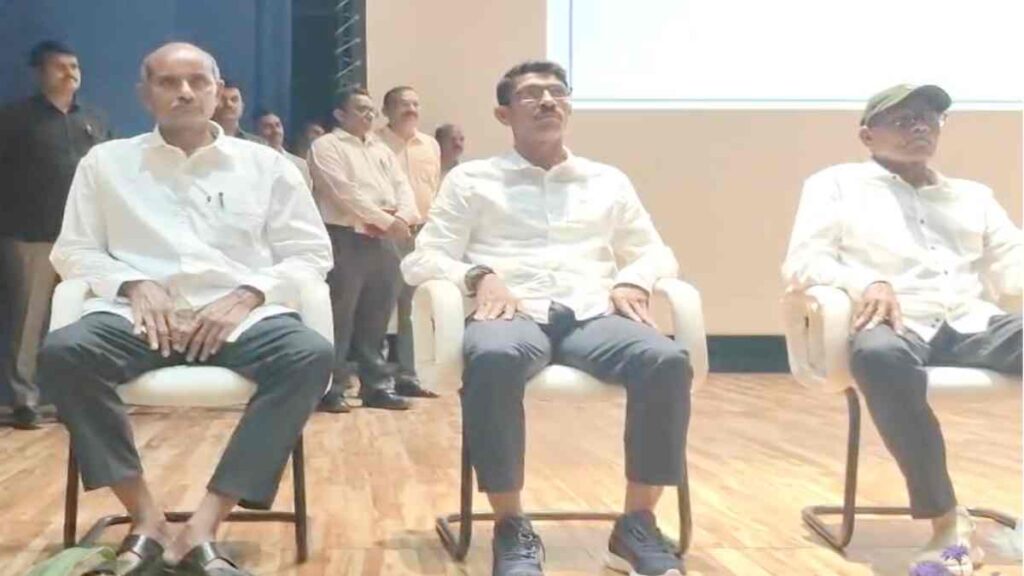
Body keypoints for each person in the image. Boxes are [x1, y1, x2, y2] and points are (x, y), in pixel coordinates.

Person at [38, 42, 333, 575]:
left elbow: (311, 253)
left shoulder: (266, 166)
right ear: (144, 94)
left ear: (218, 92)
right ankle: (146, 518)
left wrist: (247, 294)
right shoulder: (106, 163)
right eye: (169, 82)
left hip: (239, 319)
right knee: (65, 351)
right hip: (138, 319)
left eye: (199, 81)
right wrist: (132, 283)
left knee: (308, 354)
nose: (185, 92)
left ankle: (204, 525)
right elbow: (74, 250)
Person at [402, 60, 690, 576]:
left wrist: (634, 279)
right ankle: (510, 526)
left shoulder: (606, 180)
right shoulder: (472, 180)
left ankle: (637, 524)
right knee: (491, 356)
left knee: (665, 360)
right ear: (504, 114)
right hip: (512, 311)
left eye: (558, 92)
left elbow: (655, 252)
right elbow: (422, 258)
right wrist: (478, 275)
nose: (548, 101)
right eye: (532, 94)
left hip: (592, 313)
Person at [782, 84, 1022, 575]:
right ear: (867, 135)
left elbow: (1012, 264)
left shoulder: (972, 196)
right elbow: (803, 262)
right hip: (893, 322)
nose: (920, 126)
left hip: (971, 321)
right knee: (878, 356)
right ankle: (947, 523)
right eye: (904, 118)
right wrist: (866, 282)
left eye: (930, 118)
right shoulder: (835, 185)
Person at [0, 40, 111, 430]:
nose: (70, 73)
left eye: (74, 66)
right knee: (28, 321)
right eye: (60, 66)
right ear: (39, 72)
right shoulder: (13, 120)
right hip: (31, 234)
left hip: (84, 240)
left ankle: (70, 398)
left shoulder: (94, 120)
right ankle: (24, 399)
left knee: (75, 319)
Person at [308, 85, 420, 412]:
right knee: (340, 316)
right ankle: (331, 387)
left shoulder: (380, 148)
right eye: (361, 109)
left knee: (378, 314)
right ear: (340, 114)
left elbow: (402, 186)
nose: (369, 115)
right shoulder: (326, 146)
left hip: (385, 239)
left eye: (371, 109)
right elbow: (343, 193)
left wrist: (404, 217)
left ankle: (376, 386)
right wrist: (386, 221)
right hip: (345, 237)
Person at [376, 86, 441, 398]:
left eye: (415, 104)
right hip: (387, 233)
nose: (411, 110)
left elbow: (434, 188)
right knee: (379, 305)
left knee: (413, 307)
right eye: (404, 104)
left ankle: (409, 375)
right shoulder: (374, 143)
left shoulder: (430, 145)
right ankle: (377, 377)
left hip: (423, 232)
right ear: (386, 111)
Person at [256, 108, 312, 187]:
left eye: (278, 125)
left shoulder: (300, 164)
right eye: (268, 127)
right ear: (257, 132)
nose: (275, 131)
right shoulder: (253, 164)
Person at [212, 78, 265, 144]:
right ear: (212, 104)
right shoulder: (202, 142)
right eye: (222, 99)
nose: (229, 104)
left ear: (242, 106)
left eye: (234, 99)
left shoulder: (258, 144)